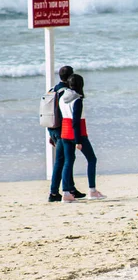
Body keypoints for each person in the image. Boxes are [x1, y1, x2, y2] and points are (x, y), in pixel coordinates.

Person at [59, 74, 106, 203]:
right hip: (78, 133)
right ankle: (92, 190)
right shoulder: (77, 100)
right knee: (92, 159)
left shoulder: (62, 97)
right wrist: (78, 140)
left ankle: (66, 193)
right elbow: (76, 121)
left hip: (65, 132)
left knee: (68, 162)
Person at [47, 66, 85, 202]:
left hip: (52, 128)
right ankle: (60, 191)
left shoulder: (52, 89)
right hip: (62, 129)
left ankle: (67, 189)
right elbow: (65, 114)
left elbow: (50, 112)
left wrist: (50, 133)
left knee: (61, 161)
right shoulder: (65, 92)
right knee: (66, 160)